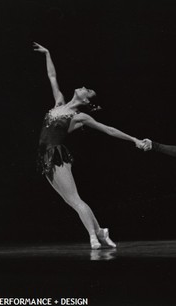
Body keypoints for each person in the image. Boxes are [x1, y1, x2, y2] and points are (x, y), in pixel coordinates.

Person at [34, 42, 144, 249]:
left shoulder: (79, 116)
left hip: (56, 155)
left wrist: (134, 139)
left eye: (88, 90)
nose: (83, 87)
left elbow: (109, 129)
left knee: (75, 199)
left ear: (85, 99)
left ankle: (93, 237)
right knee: (70, 201)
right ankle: (101, 232)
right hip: (44, 157)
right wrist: (48, 53)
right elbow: (52, 77)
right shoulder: (59, 102)